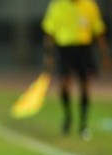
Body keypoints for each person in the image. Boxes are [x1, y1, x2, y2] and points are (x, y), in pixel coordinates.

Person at [42, 0, 110, 141]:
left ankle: (83, 124)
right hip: (65, 49)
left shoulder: (89, 5)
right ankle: (68, 118)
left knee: (85, 85)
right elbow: (50, 32)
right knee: (64, 84)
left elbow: (99, 31)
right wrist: (49, 54)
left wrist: (104, 55)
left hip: (83, 49)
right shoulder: (58, 5)